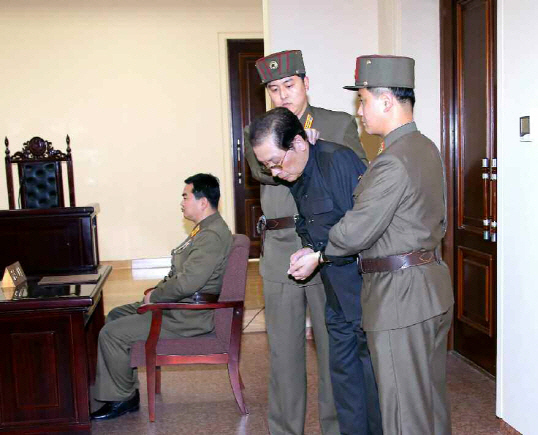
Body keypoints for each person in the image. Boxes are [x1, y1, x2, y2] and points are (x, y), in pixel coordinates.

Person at [289, 55, 455, 435]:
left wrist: (318, 252)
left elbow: (354, 232)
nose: (359, 111)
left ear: (386, 101)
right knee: (429, 402)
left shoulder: (393, 161)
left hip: (400, 297)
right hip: (428, 287)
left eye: (362, 100)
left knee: (402, 412)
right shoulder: (423, 147)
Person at [244, 49, 368, 435]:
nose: (283, 95)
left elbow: (358, 179)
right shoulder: (261, 132)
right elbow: (260, 168)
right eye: (274, 89)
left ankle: (336, 428)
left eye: (290, 85)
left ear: (306, 84)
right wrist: (294, 144)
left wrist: (316, 148)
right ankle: (284, 430)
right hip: (281, 246)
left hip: (325, 249)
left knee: (334, 347)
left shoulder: (338, 123)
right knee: (283, 350)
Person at [91, 173, 233, 421]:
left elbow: (188, 282)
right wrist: (154, 294)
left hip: (186, 316)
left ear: (202, 202)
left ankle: (122, 398)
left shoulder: (211, 236)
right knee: (114, 315)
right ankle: (123, 387)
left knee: (111, 333)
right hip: (178, 306)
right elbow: (181, 273)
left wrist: (156, 296)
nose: (181, 202)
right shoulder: (204, 229)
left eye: (185, 196)